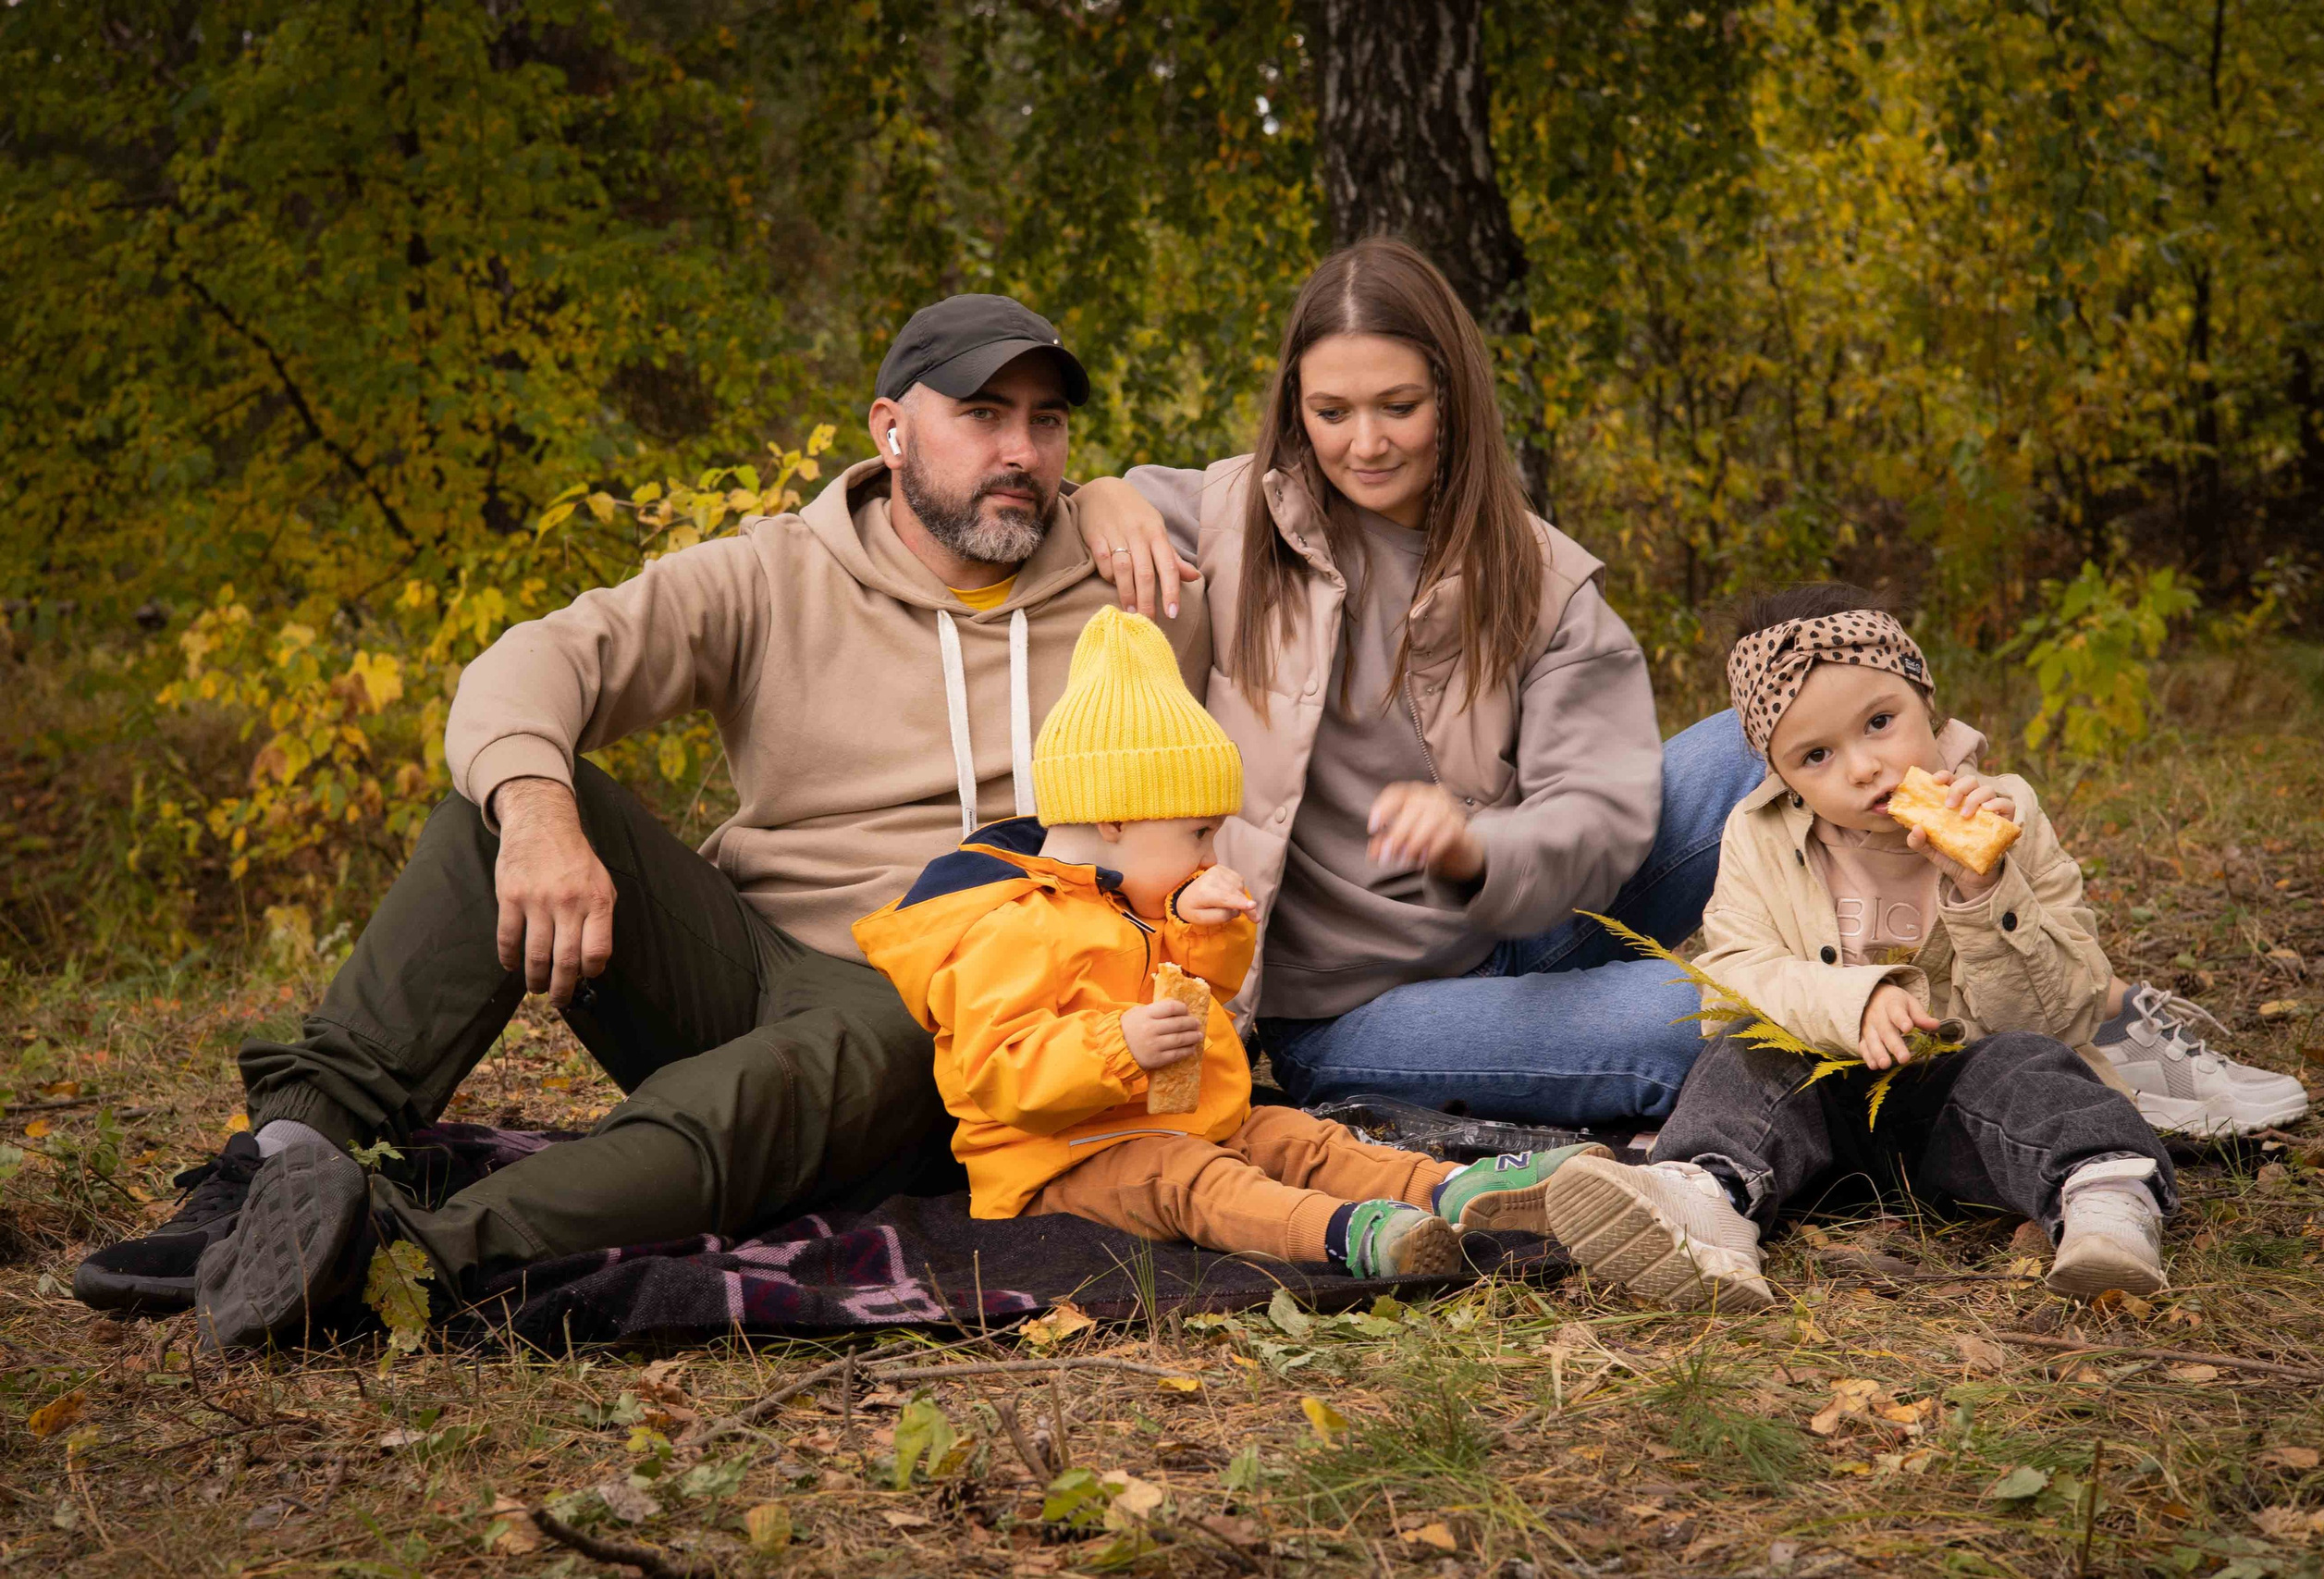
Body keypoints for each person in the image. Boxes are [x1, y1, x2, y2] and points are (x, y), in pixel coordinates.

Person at [77, 295, 1214, 1345]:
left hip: (966, 1006)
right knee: (505, 803)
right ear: (892, 429)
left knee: (852, 1040)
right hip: (751, 960)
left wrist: (1128, 492)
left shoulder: (1137, 584)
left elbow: (1313, 473)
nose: (1021, 451)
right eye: (981, 415)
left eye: (1048, 422)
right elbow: (536, 662)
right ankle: (286, 1156)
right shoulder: (774, 574)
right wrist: (536, 817)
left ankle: (393, 1255)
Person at [1070, 238, 1766, 1129]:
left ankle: (1895, 948)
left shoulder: (1539, 575)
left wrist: (1477, 848)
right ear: (1296, 405)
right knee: (1718, 1021)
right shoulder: (1229, 517)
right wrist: (1100, 494)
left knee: (1766, 730)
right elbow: (1079, 510)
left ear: (1452, 395)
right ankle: (1711, 1029)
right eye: (1332, 411)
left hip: (1514, 918)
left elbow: (1598, 812)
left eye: (1398, 406)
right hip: (1347, 1010)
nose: (1365, 443)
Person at [855, 607, 1605, 1277]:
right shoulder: (1011, 923)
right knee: (1191, 1177)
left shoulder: (1142, 897)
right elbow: (999, 1069)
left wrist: (1207, 928)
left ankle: (1449, 1188)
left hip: (1188, 1117)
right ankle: (1345, 1235)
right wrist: (1120, 1045)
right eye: (1197, 833)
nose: (1209, 852)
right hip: (1061, 1164)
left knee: (1297, 1137)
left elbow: (1204, 997)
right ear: (1113, 821)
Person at [1537, 586, 2181, 1310]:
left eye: (1880, 722)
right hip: (1822, 1125)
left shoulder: (2007, 815)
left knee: (2032, 1064)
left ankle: (2104, 1198)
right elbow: (1732, 977)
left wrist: (1986, 890)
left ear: (1926, 700)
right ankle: (1710, 1197)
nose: (1864, 767)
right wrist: (1853, 999)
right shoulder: (1759, 836)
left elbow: (2059, 1012)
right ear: (1780, 773)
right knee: (1744, 1052)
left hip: (1963, 1113)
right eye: (1816, 755)